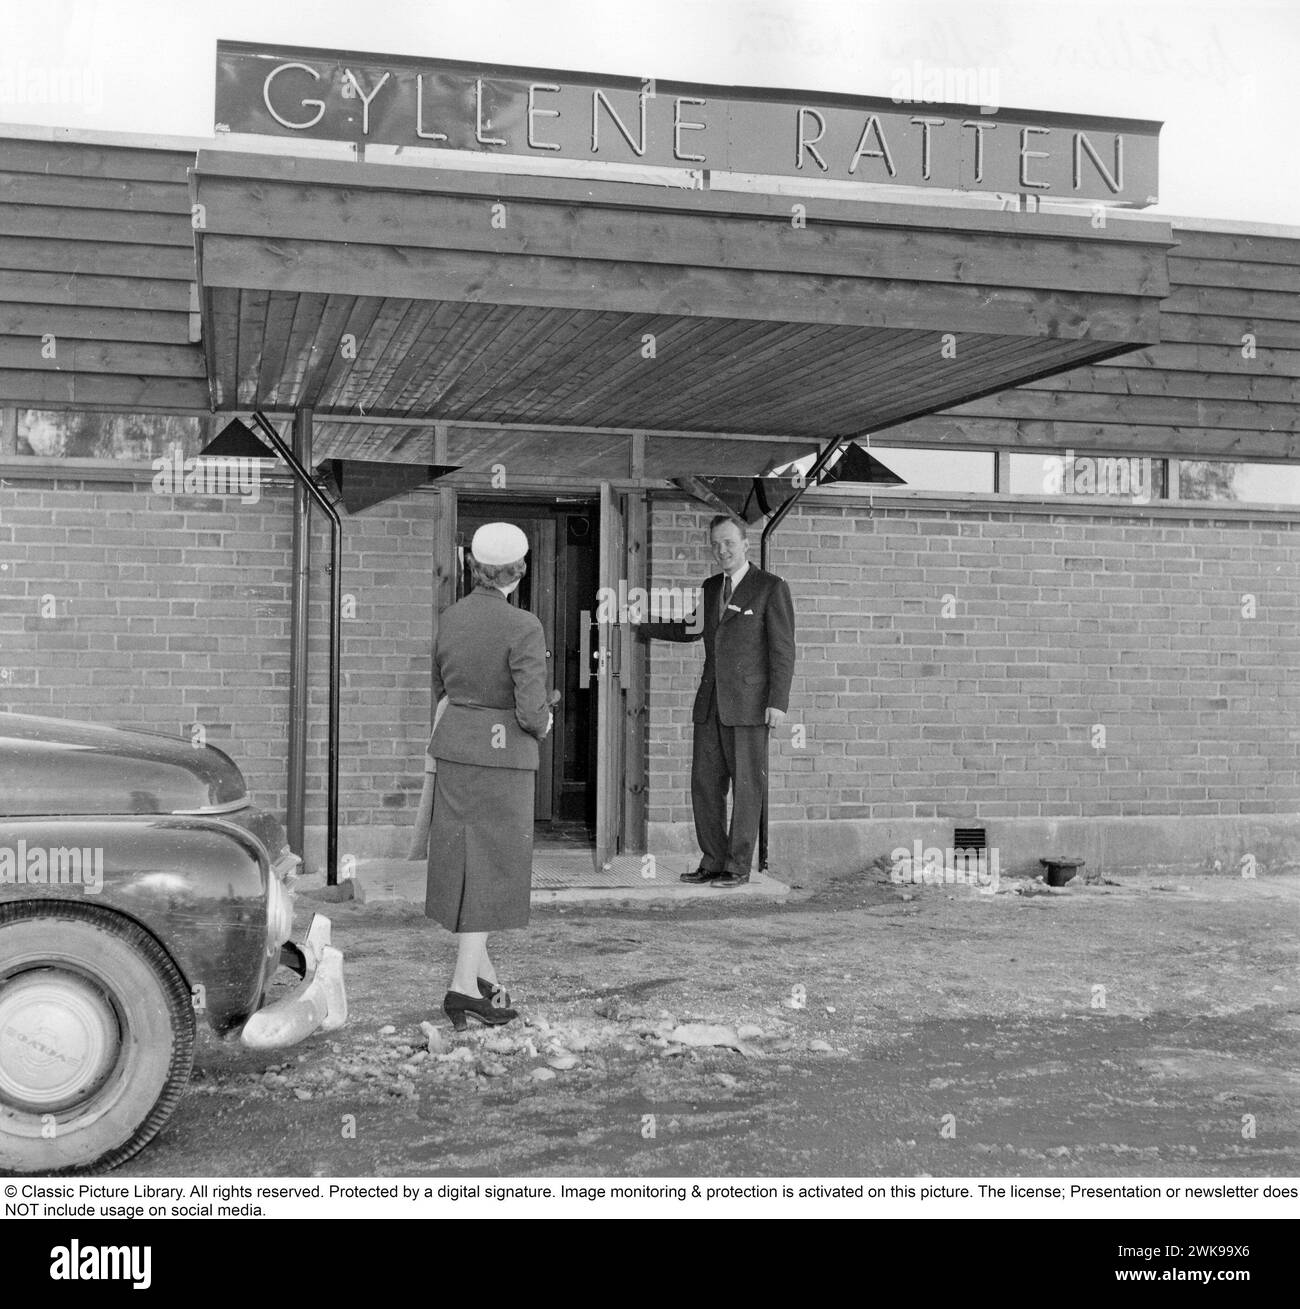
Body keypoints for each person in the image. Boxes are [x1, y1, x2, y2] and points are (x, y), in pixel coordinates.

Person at [425, 522, 553, 1029]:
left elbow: (441, 685)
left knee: (463, 862)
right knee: (490, 868)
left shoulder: (451, 617)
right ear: (518, 572)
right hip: (502, 760)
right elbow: (529, 711)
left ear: (476, 568)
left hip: (456, 748)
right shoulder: (524, 626)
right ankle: (461, 989)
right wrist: (546, 718)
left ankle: (485, 981)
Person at [637, 513, 795, 887]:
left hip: (750, 706)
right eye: (715, 544)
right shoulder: (711, 587)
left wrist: (779, 702)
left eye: (728, 542)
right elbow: (691, 629)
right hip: (710, 705)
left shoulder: (770, 587)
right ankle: (712, 860)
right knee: (705, 784)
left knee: (746, 786)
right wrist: (641, 622)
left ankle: (738, 867)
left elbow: (784, 650)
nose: (721, 550)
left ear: (744, 543)